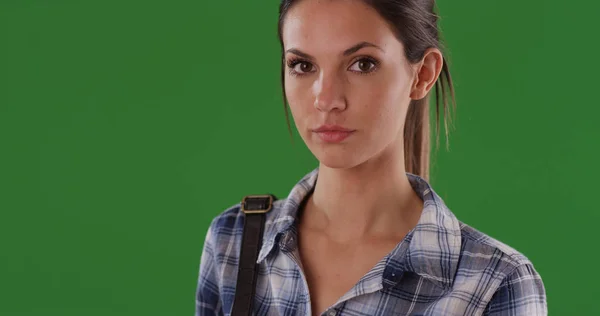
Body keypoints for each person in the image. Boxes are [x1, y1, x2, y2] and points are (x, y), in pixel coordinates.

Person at [195, 0, 547, 315]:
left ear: (422, 74)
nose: (326, 98)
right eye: (302, 65)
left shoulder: (495, 283)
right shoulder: (234, 242)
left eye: (362, 64)